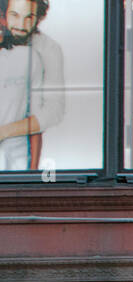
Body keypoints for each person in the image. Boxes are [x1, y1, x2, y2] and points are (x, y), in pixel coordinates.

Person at [0, 0, 66, 170]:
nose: (21, 25)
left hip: (16, 159)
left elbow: (50, 113)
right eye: (14, 15)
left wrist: (4, 131)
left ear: (38, 17)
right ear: (4, 16)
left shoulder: (43, 51)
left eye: (29, 17)